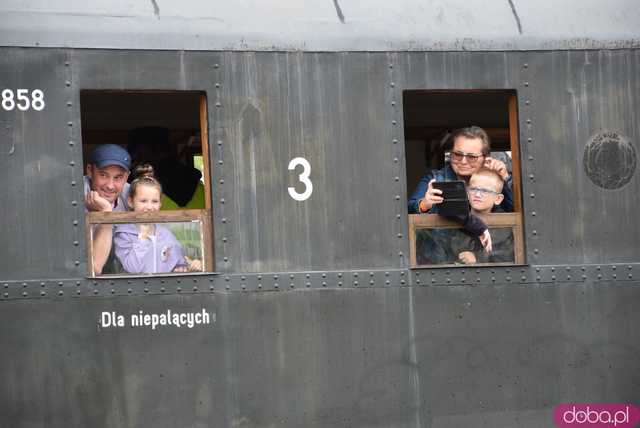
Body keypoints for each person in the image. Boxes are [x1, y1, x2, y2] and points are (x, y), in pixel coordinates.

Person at [113, 164, 203, 274]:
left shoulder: (165, 233)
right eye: (143, 201)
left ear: (160, 203)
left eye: (154, 201)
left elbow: (179, 262)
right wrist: (142, 238)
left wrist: (185, 266)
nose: (149, 207)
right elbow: (133, 269)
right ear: (131, 202)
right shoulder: (123, 233)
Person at [408, 126, 513, 215]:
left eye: (471, 157)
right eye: (458, 154)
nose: (463, 161)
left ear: (485, 157)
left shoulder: (496, 179)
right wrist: (424, 204)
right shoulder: (434, 179)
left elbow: (520, 212)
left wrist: (504, 179)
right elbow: (408, 210)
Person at [84, 144, 132, 275]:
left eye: (118, 177)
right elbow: (95, 268)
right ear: (89, 170)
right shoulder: (74, 196)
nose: (110, 186)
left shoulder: (132, 195)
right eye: (103, 175)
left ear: (127, 177)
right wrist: (107, 213)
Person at [453, 169, 514, 264]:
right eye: (473, 189)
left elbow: (505, 258)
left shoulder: (504, 228)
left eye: (485, 191)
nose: (477, 194)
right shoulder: (455, 217)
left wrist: (477, 258)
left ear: (498, 199)